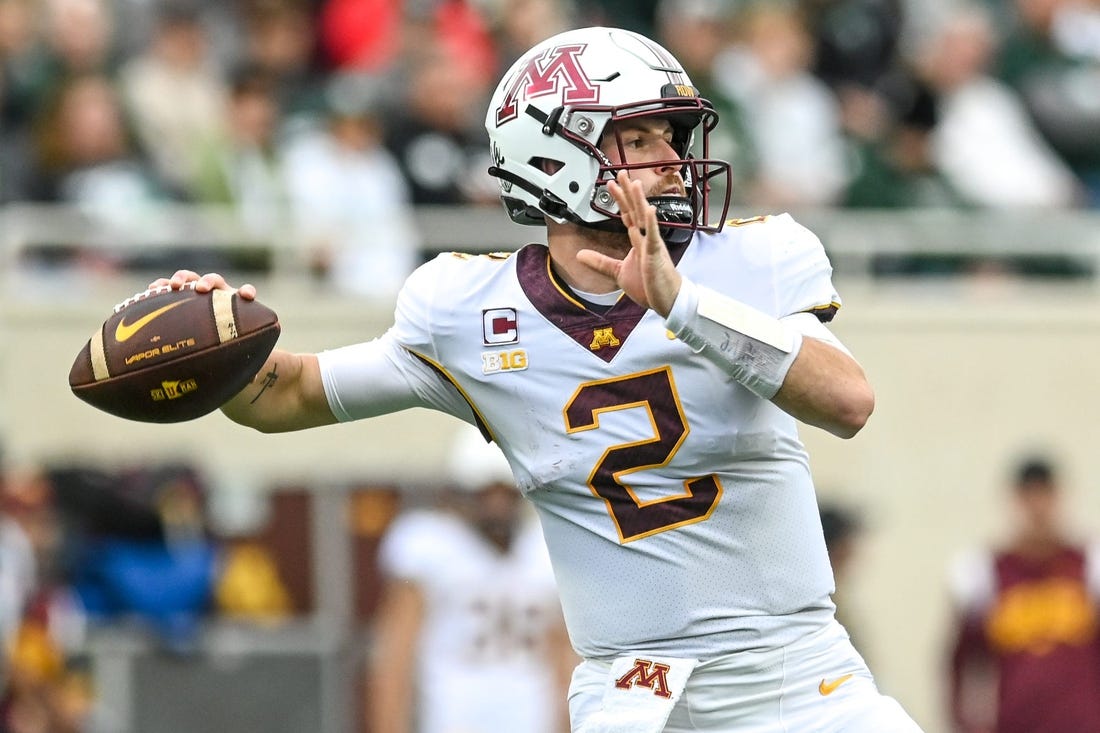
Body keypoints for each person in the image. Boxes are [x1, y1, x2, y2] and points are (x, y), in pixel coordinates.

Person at [150, 26, 924, 732]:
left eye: (671, 134)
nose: (672, 158)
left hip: (801, 683)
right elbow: (288, 394)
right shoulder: (466, 312)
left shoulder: (752, 259)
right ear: (555, 157)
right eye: (639, 136)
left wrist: (681, 304)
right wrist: (213, 341)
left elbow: (848, 400)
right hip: (633, 699)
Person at [368, 423, 574, 733]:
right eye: (486, 493)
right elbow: (395, 658)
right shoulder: (431, 545)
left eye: (505, 493)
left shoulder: (544, 550)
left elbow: (562, 663)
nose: (497, 505)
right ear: (462, 493)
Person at [946, 456, 1100, 733]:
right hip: (1016, 723)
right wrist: (965, 722)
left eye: (1045, 495)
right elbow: (960, 661)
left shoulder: (1088, 568)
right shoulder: (986, 574)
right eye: (1029, 497)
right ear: (1015, 501)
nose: (1038, 508)